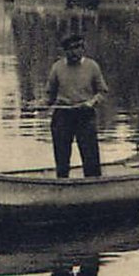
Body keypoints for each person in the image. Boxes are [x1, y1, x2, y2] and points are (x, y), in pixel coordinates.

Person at [46, 32, 109, 177]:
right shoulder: (57, 67)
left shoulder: (92, 66)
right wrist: (37, 105)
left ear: (83, 48)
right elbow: (49, 96)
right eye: (70, 49)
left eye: (78, 48)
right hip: (63, 115)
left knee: (91, 157)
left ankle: (93, 187)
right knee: (61, 158)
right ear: (65, 51)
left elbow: (103, 92)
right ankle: (62, 186)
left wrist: (91, 102)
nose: (74, 52)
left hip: (84, 115)